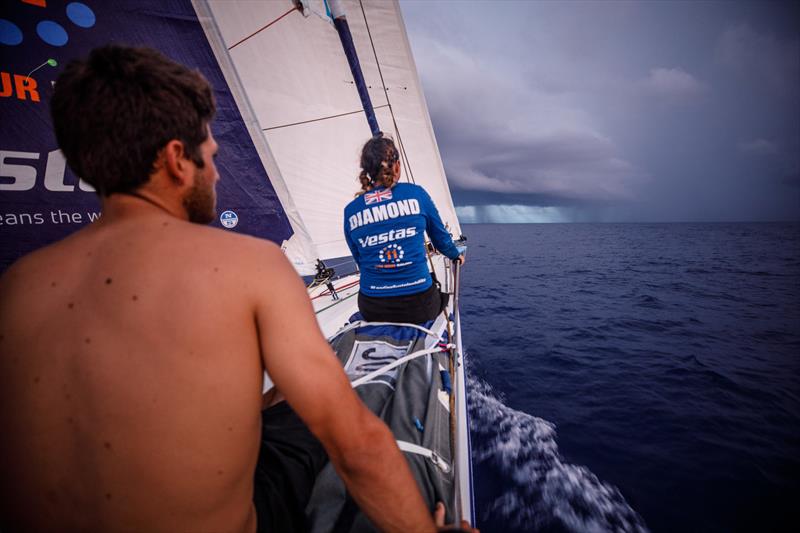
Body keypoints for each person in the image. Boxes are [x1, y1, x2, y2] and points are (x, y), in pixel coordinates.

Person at [0, 45, 476, 533]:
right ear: (176, 160)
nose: (218, 172)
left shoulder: (19, 285)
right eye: (211, 154)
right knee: (327, 421)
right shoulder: (251, 267)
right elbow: (357, 445)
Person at [344, 134, 465, 324]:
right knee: (442, 296)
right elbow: (440, 240)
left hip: (372, 307)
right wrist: (455, 255)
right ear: (397, 166)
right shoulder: (417, 194)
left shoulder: (350, 211)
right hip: (419, 306)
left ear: (367, 171)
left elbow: (359, 257)